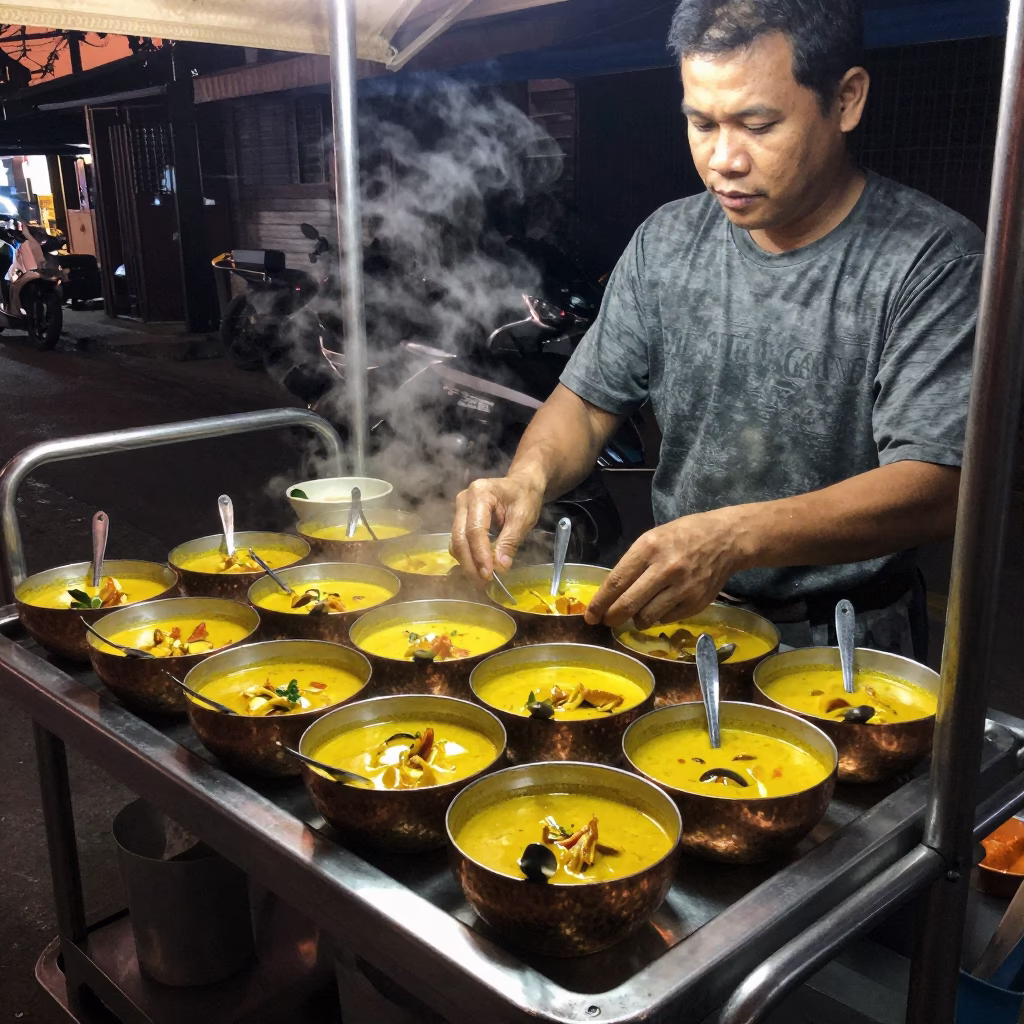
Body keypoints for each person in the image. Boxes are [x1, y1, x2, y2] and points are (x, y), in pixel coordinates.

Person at [450, 0, 984, 658]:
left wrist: (734, 538)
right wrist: (527, 479)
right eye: (701, 123)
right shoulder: (666, 241)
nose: (723, 160)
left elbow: (935, 486)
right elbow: (586, 406)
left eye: (758, 125)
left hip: (846, 640)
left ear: (846, 100)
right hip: (682, 622)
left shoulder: (933, 259)